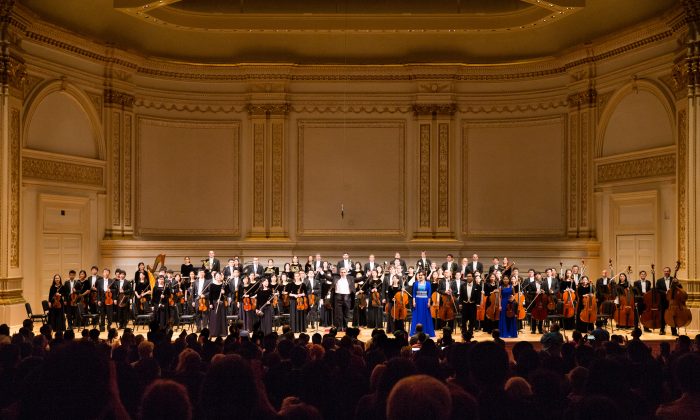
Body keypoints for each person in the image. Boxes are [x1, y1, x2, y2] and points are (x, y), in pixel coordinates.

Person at [410, 271, 435, 337]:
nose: (421, 276)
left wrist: (429, 302)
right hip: (417, 301)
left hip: (425, 301)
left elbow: (429, 294)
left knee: (426, 316)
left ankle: (426, 331)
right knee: (417, 316)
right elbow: (414, 293)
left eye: (422, 275)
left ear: (425, 276)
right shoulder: (415, 283)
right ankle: (415, 332)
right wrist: (413, 302)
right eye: (420, 275)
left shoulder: (428, 284)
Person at [208, 272, 228, 337]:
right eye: (217, 276)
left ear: (221, 277)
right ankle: (214, 332)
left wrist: (224, 292)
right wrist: (211, 303)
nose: (218, 277)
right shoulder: (212, 285)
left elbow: (228, 292)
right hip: (214, 303)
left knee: (222, 317)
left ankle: (222, 333)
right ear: (215, 277)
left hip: (221, 303)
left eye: (219, 276)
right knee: (215, 317)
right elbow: (210, 295)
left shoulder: (224, 285)